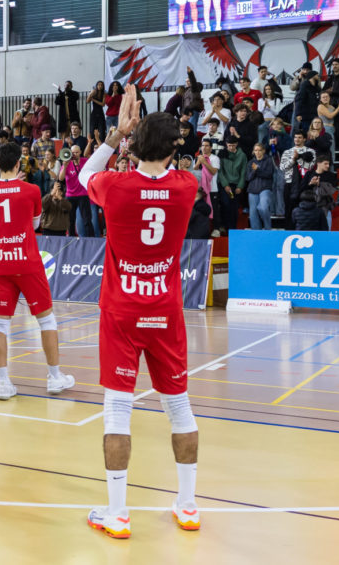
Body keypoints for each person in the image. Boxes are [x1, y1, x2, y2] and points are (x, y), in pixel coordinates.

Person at [78, 84, 201, 537]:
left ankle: (118, 513)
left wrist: (115, 137)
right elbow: (183, 171)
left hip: (121, 312)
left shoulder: (115, 185)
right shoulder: (186, 187)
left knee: (117, 411)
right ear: (173, 150)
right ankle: (187, 506)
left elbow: (81, 177)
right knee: (180, 409)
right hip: (165, 311)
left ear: (136, 143)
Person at [0, 142, 75, 400]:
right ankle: (55, 377)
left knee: (0, 322)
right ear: (19, 164)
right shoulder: (32, 190)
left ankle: (3, 383)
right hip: (27, 261)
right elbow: (33, 225)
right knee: (46, 320)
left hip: (0, 261)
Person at [281, 132, 315, 228]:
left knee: (302, 213)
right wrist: (293, 159)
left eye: (300, 137)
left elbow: (309, 162)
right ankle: (288, 233)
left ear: (304, 139)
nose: (297, 139)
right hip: (289, 185)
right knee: (288, 212)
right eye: (295, 137)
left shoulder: (310, 151)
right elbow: (283, 167)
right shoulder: (287, 152)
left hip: (305, 186)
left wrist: (298, 157)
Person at [218, 138, 246, 233]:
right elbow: (220, 171)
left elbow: (243, 172)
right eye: (229, 145)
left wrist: (240, 186)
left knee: (234, 206)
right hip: (225, 184)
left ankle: (232, 227)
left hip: (236, 185)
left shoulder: (242, 156)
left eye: (233, 145)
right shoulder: (222, 154)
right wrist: (225, 185)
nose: (231, 147)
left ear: (236, 144)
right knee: (226, 204)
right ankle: (225, 226)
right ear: (226, 145)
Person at [64, 146, 93, 236]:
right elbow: (61, 178)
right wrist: (65, 166)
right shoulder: (67, 163)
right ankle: (71, 239)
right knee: (70, 220)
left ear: (80, 152)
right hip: (70, 195)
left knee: (87, 220)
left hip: (83, 194)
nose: (74, 155)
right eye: (73, 153)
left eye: (76, 152)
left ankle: (90, 240)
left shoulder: (85, 161)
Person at [246, 143, 275, 229]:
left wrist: (257, 170)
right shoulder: (251, 162)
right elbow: (248, 178)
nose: (257, 152)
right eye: (256, 150)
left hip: (265, 188)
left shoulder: (269, 160)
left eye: (259, 150)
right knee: (253, 214)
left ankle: (267, 228)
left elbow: (269, 174)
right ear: (253, 151)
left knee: (263, 207)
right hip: (252, 190)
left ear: (264, 151)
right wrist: (254, 171)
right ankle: (256, 233)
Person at [291, 62, 321, 134]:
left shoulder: (315, 80)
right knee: (295, 127)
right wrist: (299, 79)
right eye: (304, 69)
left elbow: (319, 89)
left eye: (307, 70)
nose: (305, 71)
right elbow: (292, 88)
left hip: (310, 109)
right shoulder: (299, 78)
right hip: (299, 107)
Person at [316, 91, 339, 160]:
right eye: (323, 97)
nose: (325, 98)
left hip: (331, 129)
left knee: (332, 150)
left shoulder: (331, 107)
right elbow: (330, 116)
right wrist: (338, 108)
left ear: (329, 98)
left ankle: (331, 167)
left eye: (327, 97)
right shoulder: (320, 106)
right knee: (328, 150)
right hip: (325, 129)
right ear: (320, 99)